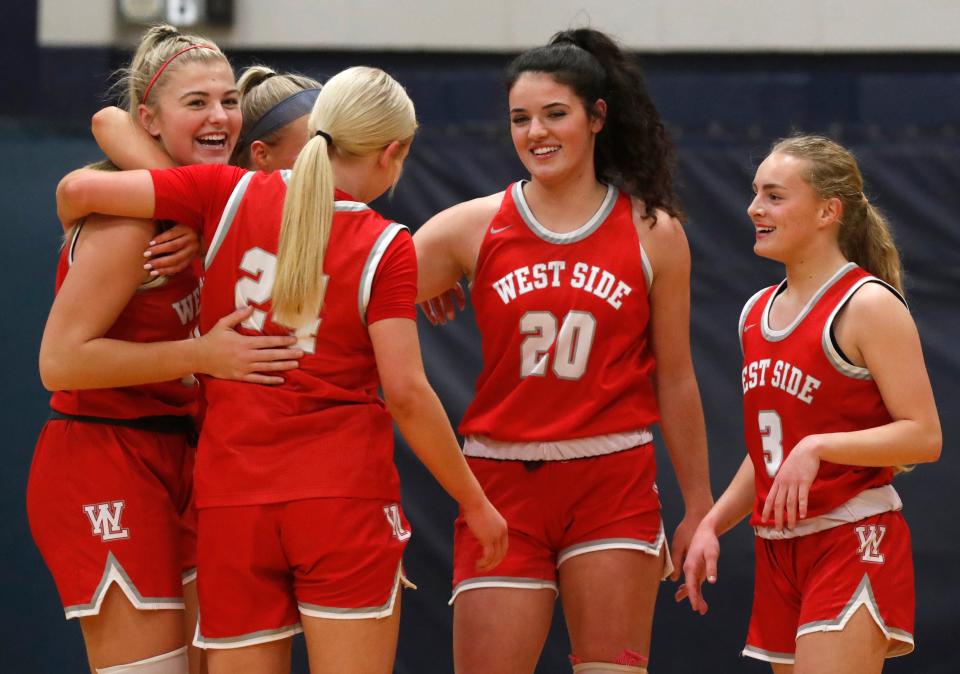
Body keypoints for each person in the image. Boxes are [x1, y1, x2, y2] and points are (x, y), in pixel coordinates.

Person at [56, 65, 508, 674]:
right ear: (393, 152)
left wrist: (189, 210)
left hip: (233, 500)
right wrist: (474, 502)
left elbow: (78, 192)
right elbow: (406, 394)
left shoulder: (225, 194)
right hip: (341, 498)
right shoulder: (385, 243)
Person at [413, 29, 713, 674]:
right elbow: (361, 288)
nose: (536, 133)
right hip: (499, 483)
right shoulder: (471, 225)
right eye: (521, 118)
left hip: (613, 478)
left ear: (597, 117)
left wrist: (698, 506)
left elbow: (678, 377)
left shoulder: (653, 231)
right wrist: (418, 290)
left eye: (555, 114)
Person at [29, 25, 301, 674]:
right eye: (198, 102)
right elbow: (59, 363)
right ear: (147, 120)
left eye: (229, 100)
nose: (220, 116)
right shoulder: (132, 222)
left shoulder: (221, 204)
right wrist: (201, 355)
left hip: (190, 459)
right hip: (105, 452)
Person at [679, 135, 942, 673]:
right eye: (756, 194)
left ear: (828, 210)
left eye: (774, 196)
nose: (755, 208)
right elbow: (770, 451)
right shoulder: (755, 312)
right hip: (780, 550)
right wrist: (712, 523)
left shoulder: (866, 304)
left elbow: (924, 435)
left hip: (851, 537)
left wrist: (819, 447)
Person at [90, 65, 322, 277]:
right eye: (313, 152)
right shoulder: (223, 191)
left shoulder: (331, 208)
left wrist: (199, 217)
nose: (327, 165)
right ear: (260, 154)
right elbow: (104, 126)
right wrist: (197, 211)